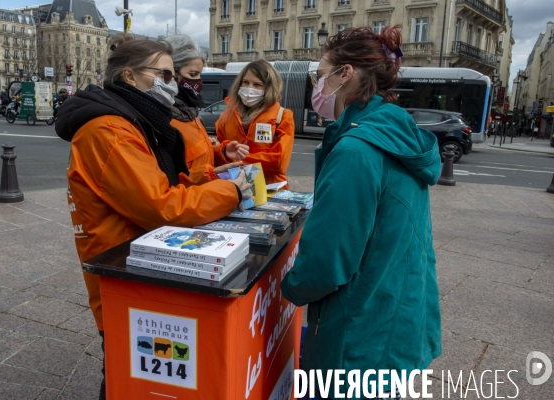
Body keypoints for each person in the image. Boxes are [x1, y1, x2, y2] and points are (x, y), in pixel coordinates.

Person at [55, 34, 251, 399]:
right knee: (122, 369)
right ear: (130, 76)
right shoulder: (108, 130)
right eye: (162, 74)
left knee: (135, 368)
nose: (172, 83)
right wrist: (232, 191)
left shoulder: (133, 119)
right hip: (123, 268)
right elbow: (161, 206)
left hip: (137, 259)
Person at [280, 26, 442, 399]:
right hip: (395, 317)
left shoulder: (355, 151)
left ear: (346, 74)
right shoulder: (395, 131)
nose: (316, 86)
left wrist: (286, 288)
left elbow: (326, 262)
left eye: (321, 74)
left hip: (359, 336)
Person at [165, 34, 249, 169]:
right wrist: (210, 176)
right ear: (171, 75)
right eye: (193, 74)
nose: (199, 81)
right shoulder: (165, 119)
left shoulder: (190, 114)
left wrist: (222, 152)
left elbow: (199, 159)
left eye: (199, 74)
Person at [215, 59, 295, 185]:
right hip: (234, 189)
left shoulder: (283, 116)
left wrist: (234, 158)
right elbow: (218, 154)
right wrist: (219, 149)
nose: (249, 88)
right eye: (245, 82)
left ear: (268, 88)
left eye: (257, 84)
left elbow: (278, 161)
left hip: (271, 192)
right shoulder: (226, 116)